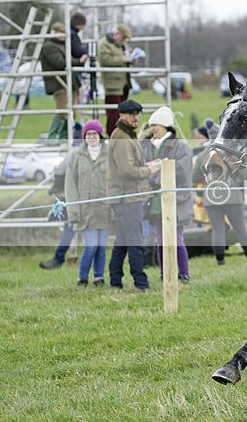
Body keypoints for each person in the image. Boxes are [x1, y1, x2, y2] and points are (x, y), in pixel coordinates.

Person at [106, 99, 161, 291]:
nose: (136, 117)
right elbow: (126, 170)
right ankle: (141, 282)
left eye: (138, 113)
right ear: (122, 115)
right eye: (132, 114)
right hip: (127, 199)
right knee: (134, 242)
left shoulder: (125, 134)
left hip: (126, 198)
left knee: (122, 242)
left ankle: (115, 280)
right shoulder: (121, 138)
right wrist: (149, 170)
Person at [141, 106, 194, 283]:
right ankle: (166, 273)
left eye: (156, 125)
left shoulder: (181, 147)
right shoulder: (149, 147)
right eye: (152, 125)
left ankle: (183, 273)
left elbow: (182, 172)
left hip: (176, 200)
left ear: (166, 126)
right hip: (156, 202)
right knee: (160, 240)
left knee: (176, 239)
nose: (153, 128)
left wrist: (156, 174)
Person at [193, 146, 247, 266]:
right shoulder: (232, 153)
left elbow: (194, 177)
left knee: (217, 231)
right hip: (233, 196)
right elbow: (246, 178)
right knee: (241, 229)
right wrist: (240, 192)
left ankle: (220, 262)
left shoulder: (204, 154)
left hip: (211, 198)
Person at [65, 119, 110, 286]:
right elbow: (70, 185)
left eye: (94, 133)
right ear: (84, 136)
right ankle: (82, 277)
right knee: (91, 245)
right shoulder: (75, 156)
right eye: (88, 134)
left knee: (101, 246)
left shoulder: (109, 154)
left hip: (104, 209)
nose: (92, 137)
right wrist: (73, 210)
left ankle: (99, 277)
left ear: (100, 135)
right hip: (85, 210)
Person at [40, 22, 88, 143]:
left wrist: (77, 61)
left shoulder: (61, 45)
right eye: (60, 33)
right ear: (54, 33)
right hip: (59, 83)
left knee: (71, 111)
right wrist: (78, 61)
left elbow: (67, 60)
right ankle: (52, 137)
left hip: (69, 83)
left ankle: (63, 137)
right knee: (63, 111)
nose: (63, 36)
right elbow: (60, 63)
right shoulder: (49, 46)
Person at [39, 150, 76, 270]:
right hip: (69, 197)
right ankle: (58, 258)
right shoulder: (77, 153)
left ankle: (58, 258)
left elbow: (60, 172)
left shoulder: (74, 153)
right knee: (69, 227)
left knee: (69, 228)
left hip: (69, 196)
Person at [98, 24, 138, 136]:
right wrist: (125, 58)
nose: (124, 40)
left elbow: (128, 55)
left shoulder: (122, 45)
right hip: (112, 84)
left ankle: (123, 133)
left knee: (124, 112)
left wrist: (133, 58)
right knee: (113, 113)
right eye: (123, 37)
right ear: (117, 34)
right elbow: (106, 60)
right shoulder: (104, 44)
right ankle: (112, 136)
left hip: (124, 83)